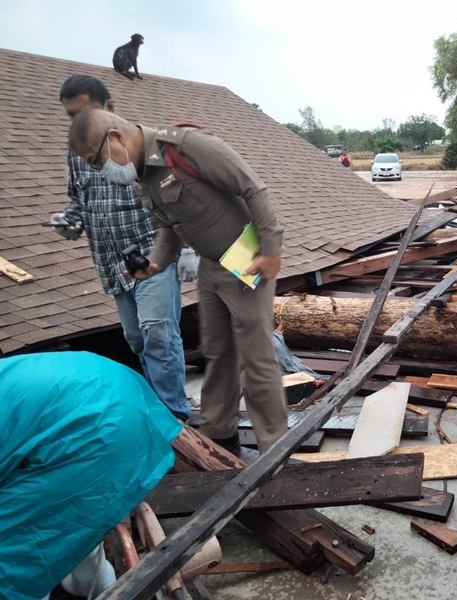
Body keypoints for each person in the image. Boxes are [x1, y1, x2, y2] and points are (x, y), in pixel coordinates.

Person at [68, 108, 287, 455]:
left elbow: (253, 188)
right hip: (211, 267)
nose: (100, 171)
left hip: (246, 262)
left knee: (256, 356)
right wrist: (154, 265)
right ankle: (220, 436)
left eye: (97, 161)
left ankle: (275, 448)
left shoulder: (186, 146)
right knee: (218, 352)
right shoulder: (144, 175)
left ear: (116, 137)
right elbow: (171, 227)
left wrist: (271, 249)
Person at [52, 75, 193, 421]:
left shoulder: (140, 146)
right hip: (112, 262)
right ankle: (156, 406)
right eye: (71, 116)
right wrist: (70, 221)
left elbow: (177, 198)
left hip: (153, 252)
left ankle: (173, 415)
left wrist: (188, 248)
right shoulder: (77, 153)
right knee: (137, 339)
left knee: (157, 330)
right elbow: (78, 201)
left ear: (110, 108)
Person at [0, 351, 181, 600]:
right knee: (70, 514)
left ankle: (93, 587)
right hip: (114, 388)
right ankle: (94, 586)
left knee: (15, 560)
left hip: (90, 428)